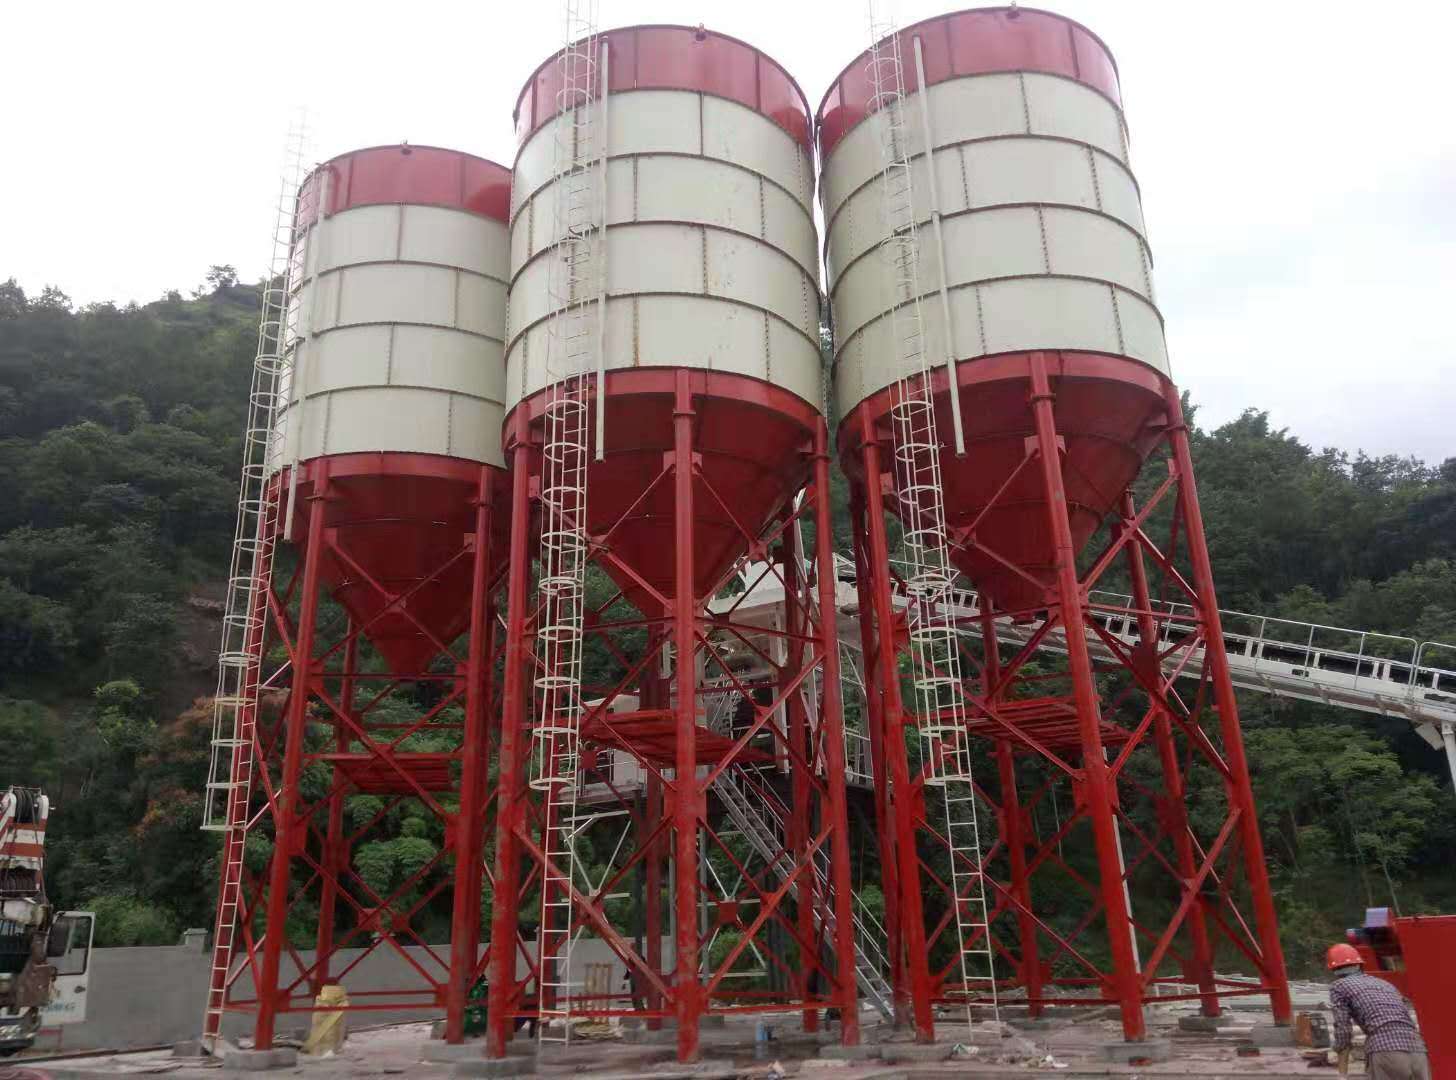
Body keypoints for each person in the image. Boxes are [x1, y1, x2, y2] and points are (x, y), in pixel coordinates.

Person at [1325, 943, 1428, 1080]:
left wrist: (1342, 1075)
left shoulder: (1339, 986)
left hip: (1385, 1050)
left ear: (1334, 970)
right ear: (1360, 965)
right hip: (1418, 1050)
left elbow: (1343, 1030)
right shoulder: (1385, 984)